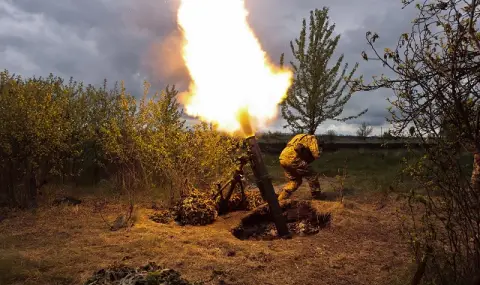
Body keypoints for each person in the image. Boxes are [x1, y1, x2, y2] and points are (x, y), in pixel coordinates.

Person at [277, 134, 324, 200]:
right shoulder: (312, 139)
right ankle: (317, 196)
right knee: (312, 175)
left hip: (283, 158)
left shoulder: (299, 136)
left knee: (295, 181)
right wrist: (320, 152)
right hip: (294, 159)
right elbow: (316, 154)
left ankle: (281, 198)